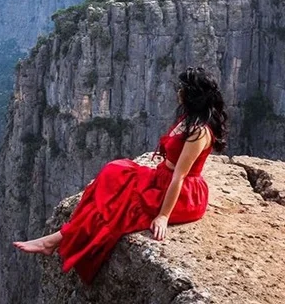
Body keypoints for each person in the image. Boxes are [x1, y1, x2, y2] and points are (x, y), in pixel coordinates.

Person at [13, 66, 228, 285]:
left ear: (191, 94)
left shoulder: (200, 132)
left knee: (118, 208)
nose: (178, 91)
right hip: (161, 178)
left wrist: (163, 216)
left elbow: (179, 177)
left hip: (181, 195)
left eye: (182, 88)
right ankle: (55, 240)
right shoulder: (188, 119)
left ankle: (53, 241)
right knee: (113, 172)